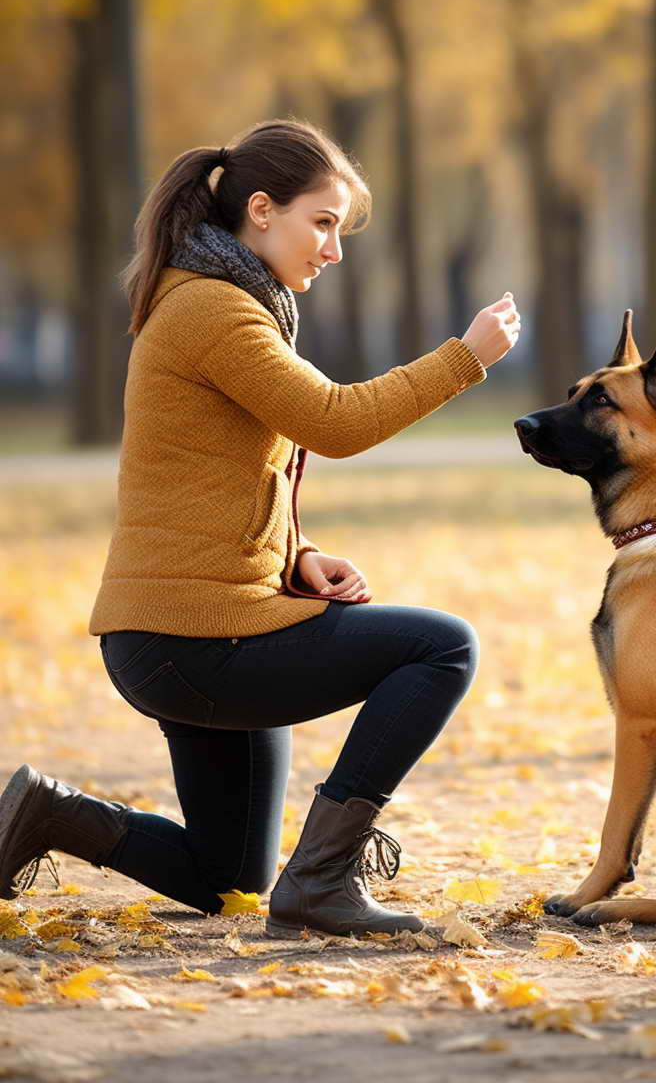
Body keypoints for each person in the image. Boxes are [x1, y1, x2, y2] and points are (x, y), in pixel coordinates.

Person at [0, 119, 520, 939]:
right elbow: (334, 422)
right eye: (323, 224)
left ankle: (49, 814)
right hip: (194, 639)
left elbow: (211, 476)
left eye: (340, 232)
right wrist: (465, 356)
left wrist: (300, 555)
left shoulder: (217, 300)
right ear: (262, 209)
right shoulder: (213, 310)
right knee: (443, 645)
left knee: (225, 880)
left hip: (187, 630)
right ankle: (324, 878)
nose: (333, 250)